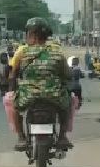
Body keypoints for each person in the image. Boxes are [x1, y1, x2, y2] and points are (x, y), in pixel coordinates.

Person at [4, 17, 76, 151]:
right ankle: (62, 137)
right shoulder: (57, 52)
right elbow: (67, 75)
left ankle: (21, 137)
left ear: (31, 34)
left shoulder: (22, 52)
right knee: (69, 102)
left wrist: (11, 91)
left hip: (27, 97)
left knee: (12, 103)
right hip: (54, 96)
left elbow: (12, 76)